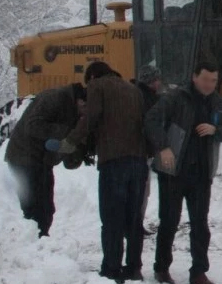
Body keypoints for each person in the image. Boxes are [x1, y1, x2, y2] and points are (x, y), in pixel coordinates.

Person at [144, 61, 222, 284]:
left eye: (214, 81)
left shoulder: (216, 102)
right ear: (194, 77)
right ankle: (161, 268)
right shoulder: (175, 97)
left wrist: (216, 130)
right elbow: (151, 120)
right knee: (169, 221)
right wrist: (163, 147)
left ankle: (198, 272)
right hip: (173, 172)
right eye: (206, 79)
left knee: (200, 224)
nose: (209, 85)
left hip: (201, 174)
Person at [55, 61, 148, 283]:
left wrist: (70, 142)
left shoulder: (99, 86)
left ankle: (112, 269)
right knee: (133, 218)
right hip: (138, 160)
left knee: (112, 218)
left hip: (114, 161)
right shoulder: (133, 89)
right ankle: (134, 268)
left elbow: (91, 118)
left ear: (93, 77)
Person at [4, 83, 88, 237]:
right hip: (23, 157)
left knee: (46, 207)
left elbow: (68, 150)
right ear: (80, 101)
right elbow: (33, 125)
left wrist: (75, 151)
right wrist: (67, 132)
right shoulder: (53, 98)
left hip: (42, 161)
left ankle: (41, 240)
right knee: (33, 206)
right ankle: (33, 242)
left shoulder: (74, 111)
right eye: (85, 109)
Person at [132, 64, 163, 236]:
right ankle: (135, 224)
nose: (159, 82)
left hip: (140, 150)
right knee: (142, 191)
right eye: (157, 79)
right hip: (142, 150)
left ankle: (135, 223)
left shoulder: (137, 95)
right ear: (151, 81)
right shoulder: (148, 99)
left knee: (142, 190)